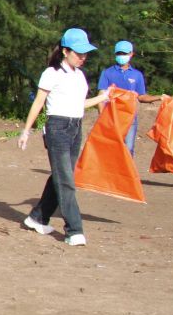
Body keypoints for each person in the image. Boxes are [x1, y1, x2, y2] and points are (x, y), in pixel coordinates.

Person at [19, 28, 110, 246]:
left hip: (75, 127)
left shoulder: (80, 76)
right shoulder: (52, 73)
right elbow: (39, 102)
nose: (83, 57)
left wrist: (103, 97)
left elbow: (79, 105)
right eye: (79, 53)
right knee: (67, 181)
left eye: (85, 53)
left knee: (61, 176)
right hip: (57, 128)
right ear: (65, 51)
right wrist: (26, 130)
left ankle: (37, 217)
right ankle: (74, 230)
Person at [97, 40, 160, 155]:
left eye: (125, 53)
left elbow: (141, 96)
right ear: (115, 54)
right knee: (112, 148)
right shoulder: (107, 73)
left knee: (129, 149)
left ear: (131, 54)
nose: (122, 56)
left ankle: (126, 173)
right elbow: (101, 97)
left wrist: (159, 97)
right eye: (119, 53)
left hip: (130, 119)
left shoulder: (137, 75)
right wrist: (102, 118)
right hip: (111, 118)